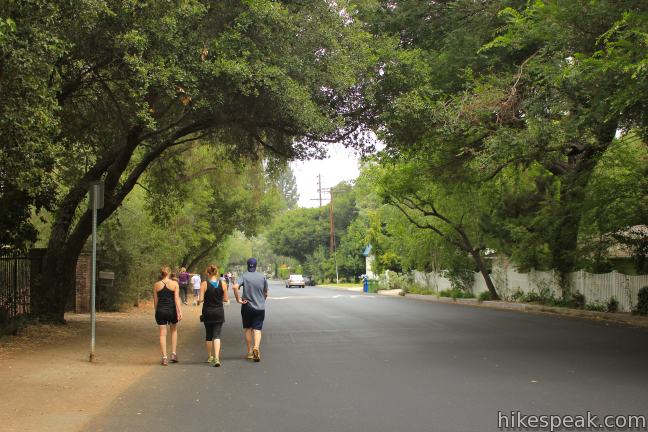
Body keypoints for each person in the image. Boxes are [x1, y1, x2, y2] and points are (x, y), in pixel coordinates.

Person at [233, 258, 268, 362]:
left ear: (247, 265)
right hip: (260, 307)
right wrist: (262, 300)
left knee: (248, 329)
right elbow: (265, 292)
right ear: (256, 265)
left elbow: (235, 287)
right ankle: (256, 348)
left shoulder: (244, 275)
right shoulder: (262, 277)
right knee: (257, 329)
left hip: (247, 306)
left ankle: (249, 352)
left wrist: (238, 299)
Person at [198, 264, 228, 367]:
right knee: (217, 335)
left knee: (208, 335)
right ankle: (217, 358)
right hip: (219, 312)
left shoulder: (204, 284)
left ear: (207, 273)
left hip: (207, 312)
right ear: (217, 272)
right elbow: (225, 299)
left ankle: (210, 356)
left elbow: (201, 299)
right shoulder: (223, 284)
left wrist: (198, 301)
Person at [153, 265, 182, 365]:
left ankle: (164, 357)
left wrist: (157, 311)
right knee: (173, 331)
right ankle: (173, 354)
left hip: (161, 311)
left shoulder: (156, 285)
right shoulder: (174, 284)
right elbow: (176, 299)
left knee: (162, 334)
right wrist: (179, 312)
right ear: (169, 273)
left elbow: (155, 301)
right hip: (171, 311)